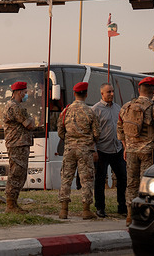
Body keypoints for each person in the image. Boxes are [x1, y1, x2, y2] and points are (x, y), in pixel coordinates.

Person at [117, 77, 154, 227]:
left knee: (131, 184)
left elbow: (119, 129)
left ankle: (129, 214)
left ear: (139, 90)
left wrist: (126, 146)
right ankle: (145, 214)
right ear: (153, 91)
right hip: (148, 152)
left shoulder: (126, 106)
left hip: (131, 151)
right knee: (147, 184)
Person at [57, 82, 100, 220]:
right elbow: (97, 133)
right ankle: (86, 210)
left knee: (66, 178)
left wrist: (70, 140)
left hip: (69, 149)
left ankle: (64, 210)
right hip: (85, 150)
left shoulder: (66, 111)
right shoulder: (90, 111)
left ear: (74, 94)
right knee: (86, 179)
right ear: (86, 94)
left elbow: (60, 131)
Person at [91, 83, 127, 218]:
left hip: (117, 149)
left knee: (123, 178)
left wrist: (124, 146)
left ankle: (122, 206)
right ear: (102, 94)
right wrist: (94, 150)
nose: (111, 94)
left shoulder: (118, 108)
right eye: (108, 92)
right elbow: (92, 132)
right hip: (101, 150)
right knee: (100, 180)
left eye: (112, 91)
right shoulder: (96, 110)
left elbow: (122, 128)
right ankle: (100, 207)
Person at [2, 81, 35, 214]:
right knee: (16, 173)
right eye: (25, 93)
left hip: (18, 143)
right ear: (19, 92)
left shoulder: (13, 106)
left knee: (19, 173)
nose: (26, 95)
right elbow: (30, 124)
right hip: (17, 144)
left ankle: (13, 203)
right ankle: (10, 204)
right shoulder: (15, 107)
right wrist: (32, 119)